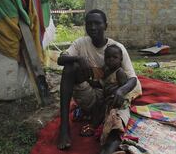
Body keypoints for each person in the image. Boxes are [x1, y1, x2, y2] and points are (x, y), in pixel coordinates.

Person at [56, 9, 142, 154]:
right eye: (89, 24)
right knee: (69, 67)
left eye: (97, 23)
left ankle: (107, 148)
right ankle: (64, 128)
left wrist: (120, 91)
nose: (93, 27)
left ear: (105, 26)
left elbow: (132, 79)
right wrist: (78, 58)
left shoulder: (117, 48)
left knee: (114, 125)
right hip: (92, 97)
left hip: (114, 98)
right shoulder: (80, 43)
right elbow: (60, 59)